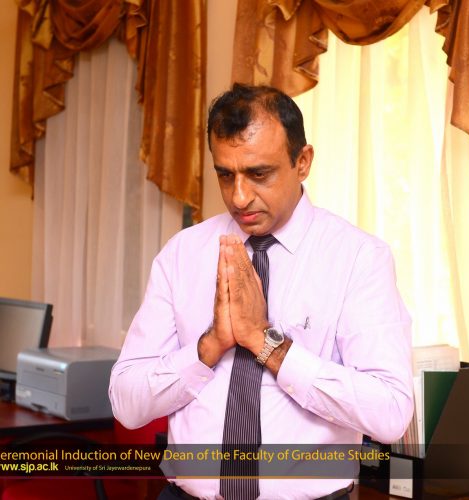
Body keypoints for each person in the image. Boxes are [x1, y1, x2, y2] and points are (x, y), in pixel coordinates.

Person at [109, 83, 413, 500]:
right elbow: (127, 404)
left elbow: (390, 413)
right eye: (225, 174)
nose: (239, 197)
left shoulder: (358, 259)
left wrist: (266, 342)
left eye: (259, 174)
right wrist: (209, 347)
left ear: (302, 162)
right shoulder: (183, 253)